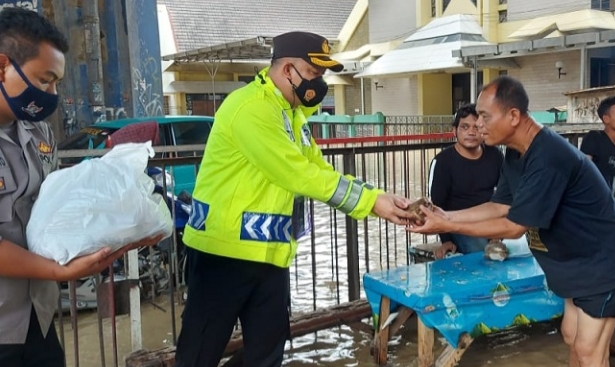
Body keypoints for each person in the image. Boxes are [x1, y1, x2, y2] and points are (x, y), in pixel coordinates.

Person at [175, 31, 414, 367]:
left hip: (270, 257)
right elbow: (297, 173)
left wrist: (377, 196)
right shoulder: (251, 108)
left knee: (267, 356)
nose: (319, 83)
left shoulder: (291, 115)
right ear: (288, 70)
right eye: (314, 74)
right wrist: (371, 203)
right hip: (222, 255)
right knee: (199, 355)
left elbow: (318, 169)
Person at [408, 75, 615, 367]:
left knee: (590, 351)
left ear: (513, 116)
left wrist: (448, 226)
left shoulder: (548, 155)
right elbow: (499, 205)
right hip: (575, 262)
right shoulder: (515, 153)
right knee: (571, 335)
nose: (479, 126)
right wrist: (445, 216)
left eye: (485, 117)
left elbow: (514, 226)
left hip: (603, 263)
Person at [0, 8, 159, 367]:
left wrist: (126, 223)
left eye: (57, 82)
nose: (53, 94)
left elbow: (56, 207)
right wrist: (58, 272)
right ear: (2, 67)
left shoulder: (36, 131)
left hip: (37, 319)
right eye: (44, 80)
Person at [428, 103, 503, 259]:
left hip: (491, 220)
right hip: (460, 225)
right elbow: (436, 206)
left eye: (476, 127)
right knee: (483, 255)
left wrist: (499, 232)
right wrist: (446, 240)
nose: (471, 132)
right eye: (465, 127)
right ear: (454, 131)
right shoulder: (443, 162)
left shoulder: (495, 155)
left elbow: (505, 193)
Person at [580, 96, 615, 196]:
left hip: (609, 202)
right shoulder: (594, 137)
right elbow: (582, 172)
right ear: (606, 119)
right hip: (592, 201)